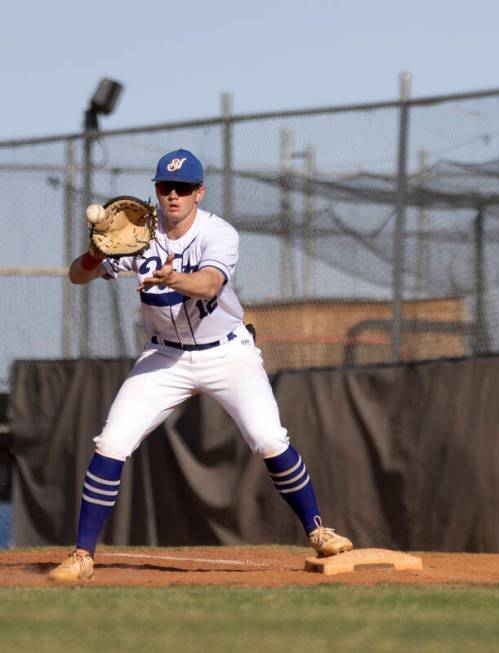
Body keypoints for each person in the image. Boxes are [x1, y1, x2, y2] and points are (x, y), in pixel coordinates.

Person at [49, 149, 352, 582]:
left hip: (227, 353)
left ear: (199, 192)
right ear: (156, 191)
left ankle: (318, 531)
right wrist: (95, 254)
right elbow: (77, 276)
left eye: (184, 188)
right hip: (165, 356)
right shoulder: (139, 232)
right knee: (111, 442)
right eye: (165, 187)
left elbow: (209, 283)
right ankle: (82, 555)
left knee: (268, 438)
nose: (174, 195)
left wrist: (175, 279)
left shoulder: (219, 234)